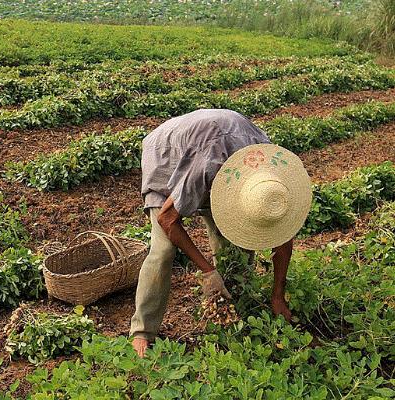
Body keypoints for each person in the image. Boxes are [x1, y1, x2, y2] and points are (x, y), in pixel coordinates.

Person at [130, 109, 312, 357]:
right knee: (163, 251)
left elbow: (283, 240)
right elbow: (168, 219)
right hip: (167, 154)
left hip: (217, 146)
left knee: (232, 243)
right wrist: (208, 272)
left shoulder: (271, 182)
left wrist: (278, 295)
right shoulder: (205, 167)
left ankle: (235, 298)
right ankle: (143, 330)